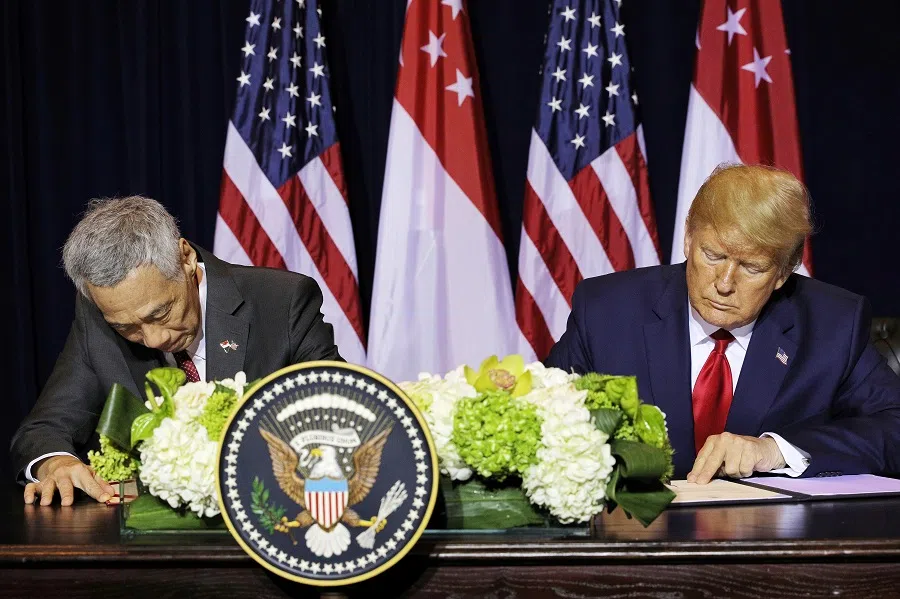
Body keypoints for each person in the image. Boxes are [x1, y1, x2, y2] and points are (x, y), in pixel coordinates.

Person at [546, 164, 900, 483]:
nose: (725, 283)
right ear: (688, 238)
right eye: (712, 256)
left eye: (752, 268)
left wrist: (774, 451)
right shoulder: (607, 311)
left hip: (773, 544)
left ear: (783, 271)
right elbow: (537, 419)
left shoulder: (832, 324)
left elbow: (894, 428)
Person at [11, 196, 342, 506]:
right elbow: (42, 430)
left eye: (160, 314)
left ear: (185, 258)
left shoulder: (282, 302)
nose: (153, 340)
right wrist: (56, 463)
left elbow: (342, 411)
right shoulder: (97, 317)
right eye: (125, 327)